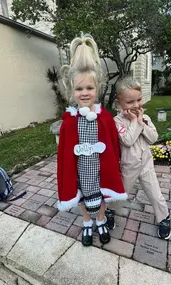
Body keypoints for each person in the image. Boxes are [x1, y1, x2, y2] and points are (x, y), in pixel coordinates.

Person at [57, 34, 127, 247]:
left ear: (98, 89)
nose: (85, 93)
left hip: (100, 169)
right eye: (79, 89)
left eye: (89, 88)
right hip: (78, 170)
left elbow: (113, 146)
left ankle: (100, 219)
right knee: (80, 194)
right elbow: (64, 153)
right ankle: (87, 221)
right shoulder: (69, 121)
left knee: (102, 193)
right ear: (72, 91)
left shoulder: (104, 118)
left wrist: (114, 164)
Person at [113, 77, 171, 240]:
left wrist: (141, 122)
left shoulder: (146, 119)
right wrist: (134, 121)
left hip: (146, 164)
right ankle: (110, 211)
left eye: (139, 100)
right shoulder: (117, 122)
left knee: (155, 193)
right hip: (128, 166)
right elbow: (128, 140)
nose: (136, 105)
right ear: (119, 103)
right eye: (130, 102)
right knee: (121, 193)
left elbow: (153, 137)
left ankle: (164, 217)